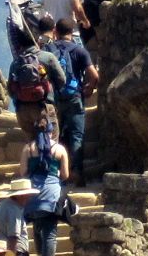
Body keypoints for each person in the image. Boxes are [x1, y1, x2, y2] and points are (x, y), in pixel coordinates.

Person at [47, 19, 97, 185]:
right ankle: (76, 173)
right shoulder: (79, 50)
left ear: (56, 31)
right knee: (77, 136)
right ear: (72, 30)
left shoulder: (48, 50)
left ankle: (57, 175)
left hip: (54, 99)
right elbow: (94, 75)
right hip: (74, 97)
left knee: (54, 136)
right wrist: (89, 88)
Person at [22, 109, 71, 256]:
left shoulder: (28, 149)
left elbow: (23, 173)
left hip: (32, 196)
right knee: (50, 233)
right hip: (52, 196)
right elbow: (65, 175)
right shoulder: (59, 149)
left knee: (37, 230)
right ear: (51, 131)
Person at [0, 183, 36, 256]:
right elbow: (13, 236)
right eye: (27, 196)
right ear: (21, 196)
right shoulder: (14, 209)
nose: (29, 199)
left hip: (2, 250)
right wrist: (11, 254)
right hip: (16, 252)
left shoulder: (1, 205)